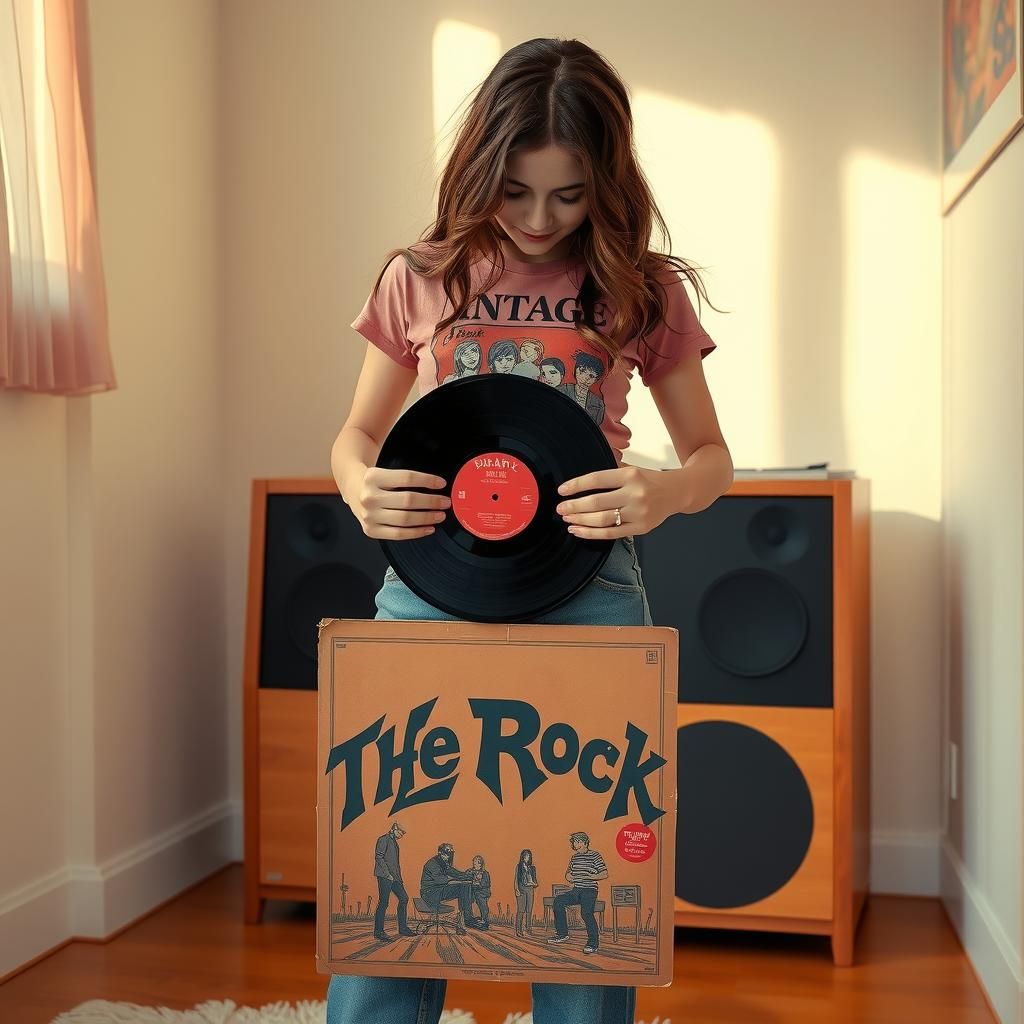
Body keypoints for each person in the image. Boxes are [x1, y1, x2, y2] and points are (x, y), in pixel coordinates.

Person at [328, 35, 732, 1024]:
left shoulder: (643, 286)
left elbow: (711, 457)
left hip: (591, 593)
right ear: (478, 170)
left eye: (569, 194)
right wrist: (355, 486)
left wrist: (665, 493)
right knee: (389, 906)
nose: (541, 219)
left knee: (581, 906)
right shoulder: (419, 274)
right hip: (427, 588)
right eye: (515, 192)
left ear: (608, 180)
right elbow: (358, 434)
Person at [547, 832, 608, 954]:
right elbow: (568, 874)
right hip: (576, 890)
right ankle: (562, 934)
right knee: (558, 901)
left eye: (576, 841)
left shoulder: (595, 855)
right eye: (573, 842)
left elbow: (604, 873)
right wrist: (569, 877)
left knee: (586, 913)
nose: (574, 844)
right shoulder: (574, 858)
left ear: (583, 842)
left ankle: (593, 943)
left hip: (589, 890)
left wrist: (592, 876)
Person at [419, 842, 479, 934]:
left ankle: (467, 918)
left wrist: (468, 876)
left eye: (450, 855)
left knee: (466, 886)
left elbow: (455, 873)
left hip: (438, 890)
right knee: (462, 887)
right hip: (430, 893)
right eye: (446, 855)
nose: (448, 857)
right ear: (440, 853)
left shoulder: (443, 862)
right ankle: (467, 919)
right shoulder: (432, 864)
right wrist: (458, 879)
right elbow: (441, 880)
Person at [372, 820, 415, 942]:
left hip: (395, 878)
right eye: (401, 832)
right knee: (384, 903)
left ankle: (403, 928)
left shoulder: (395, 843)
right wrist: (387, 874)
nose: (402, 835)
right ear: (394, 829)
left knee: (404, 898)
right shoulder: (383, 839)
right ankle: (378, 932)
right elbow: (378, 857)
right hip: (385, 877)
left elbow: (395, 864)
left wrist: (399, 879)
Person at [513, 848, 539, 936]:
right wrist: (516, 889)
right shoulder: (518, 866)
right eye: (525, 855)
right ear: (522, 856)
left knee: (529, 910)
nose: (527, 857)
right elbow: (516, 880)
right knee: (521, 910)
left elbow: (536, 882)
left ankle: (528, 928)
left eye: (528, 855)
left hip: (530, 889)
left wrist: (534, 883)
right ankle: (518, 930)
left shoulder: (532, 868)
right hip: (521, 889)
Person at [469, 854, 492, 929]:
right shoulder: (471, 871)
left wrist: (478, 884)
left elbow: (486, 883)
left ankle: (484, 921)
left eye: (476, 861)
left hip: (482, 893)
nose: (474, 863)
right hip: (473, 892)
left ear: (480, 863)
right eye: (474, 861)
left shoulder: (485, 873)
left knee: (483, 907)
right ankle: (472, 919)